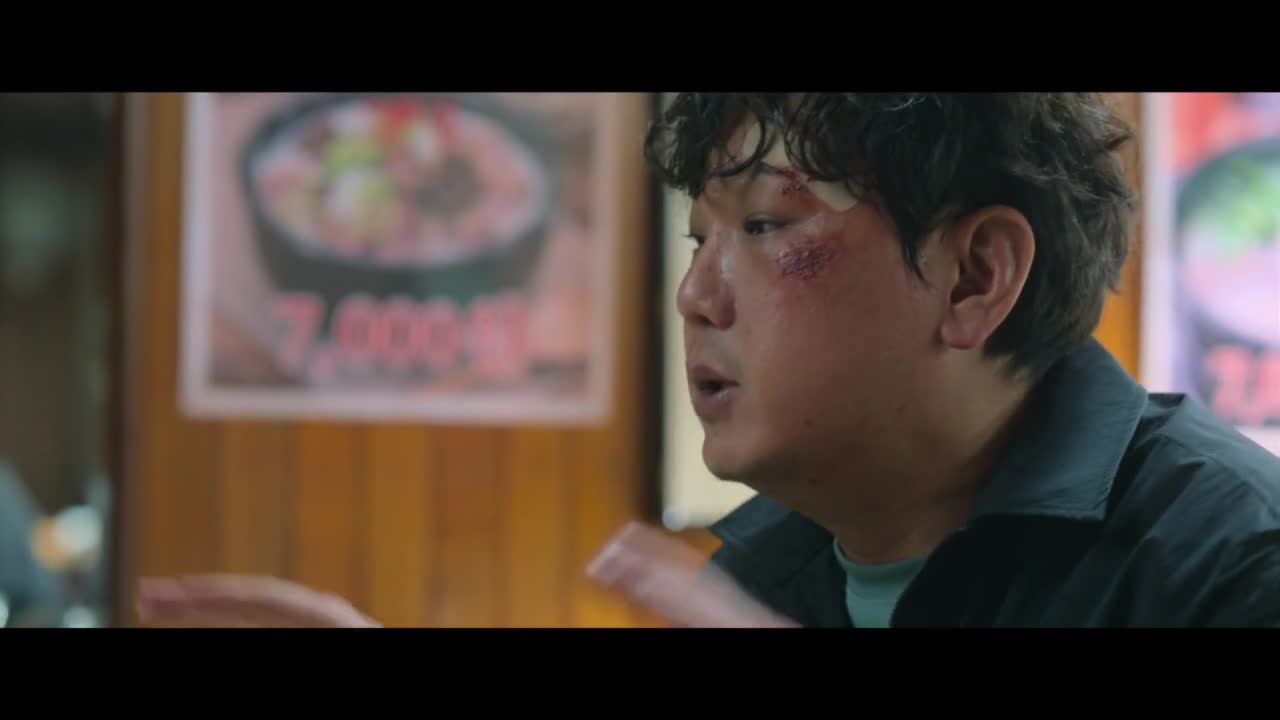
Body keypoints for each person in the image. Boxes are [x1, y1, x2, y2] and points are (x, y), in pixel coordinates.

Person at [137, 93, 1280, 628]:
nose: (694, 296)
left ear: (974, 276)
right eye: (697, 241)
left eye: (768, 227)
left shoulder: (1228, 567)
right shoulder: (760, 566)